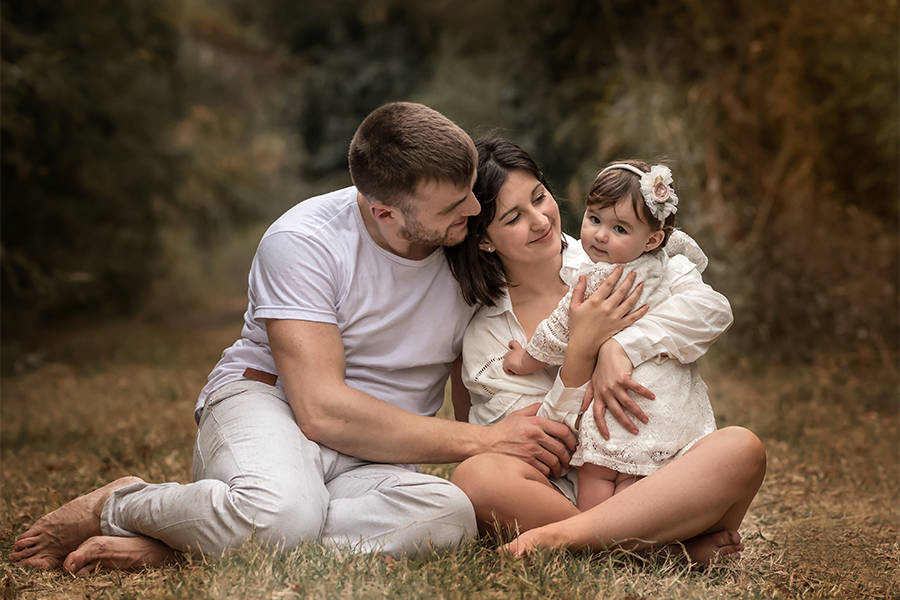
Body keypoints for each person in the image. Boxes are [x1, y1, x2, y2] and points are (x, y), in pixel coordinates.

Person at [9, 103, 589, 575]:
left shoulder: (465, 243)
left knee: (448, 517)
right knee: (281, 513)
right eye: (453, 203)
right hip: (273, 405)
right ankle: (121, 504)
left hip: (378, 449)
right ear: (385, 211)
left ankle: (180, 549)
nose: (472, 208)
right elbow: (320, 410)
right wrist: (480, 442)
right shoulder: (303, 241)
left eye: (470, 192)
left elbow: (564, 280)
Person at [444, 136, 765, 564]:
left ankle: (573, 542)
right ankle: (654, 551)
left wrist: (621, 346)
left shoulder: (622, 253)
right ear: (485, 240)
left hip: (656, 482)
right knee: (475, 478)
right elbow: (542, 447)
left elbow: (708, 309)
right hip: (562, 491)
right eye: (514, 217)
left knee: (741, 449)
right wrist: (580, 352)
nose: (540, 221)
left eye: (540, 197)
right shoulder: (488, 333)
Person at [500, 160, 719, 510]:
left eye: (619, 229)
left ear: (653, 239)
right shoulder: (664, 263)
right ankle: (638, 542)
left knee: (596, 476)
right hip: (662, 411)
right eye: (595, 219)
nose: (600, 235)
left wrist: (522, 360)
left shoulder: (602, 278)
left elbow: (560, 329)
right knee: (641, 484)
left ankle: (598, 539)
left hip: (625, 408)